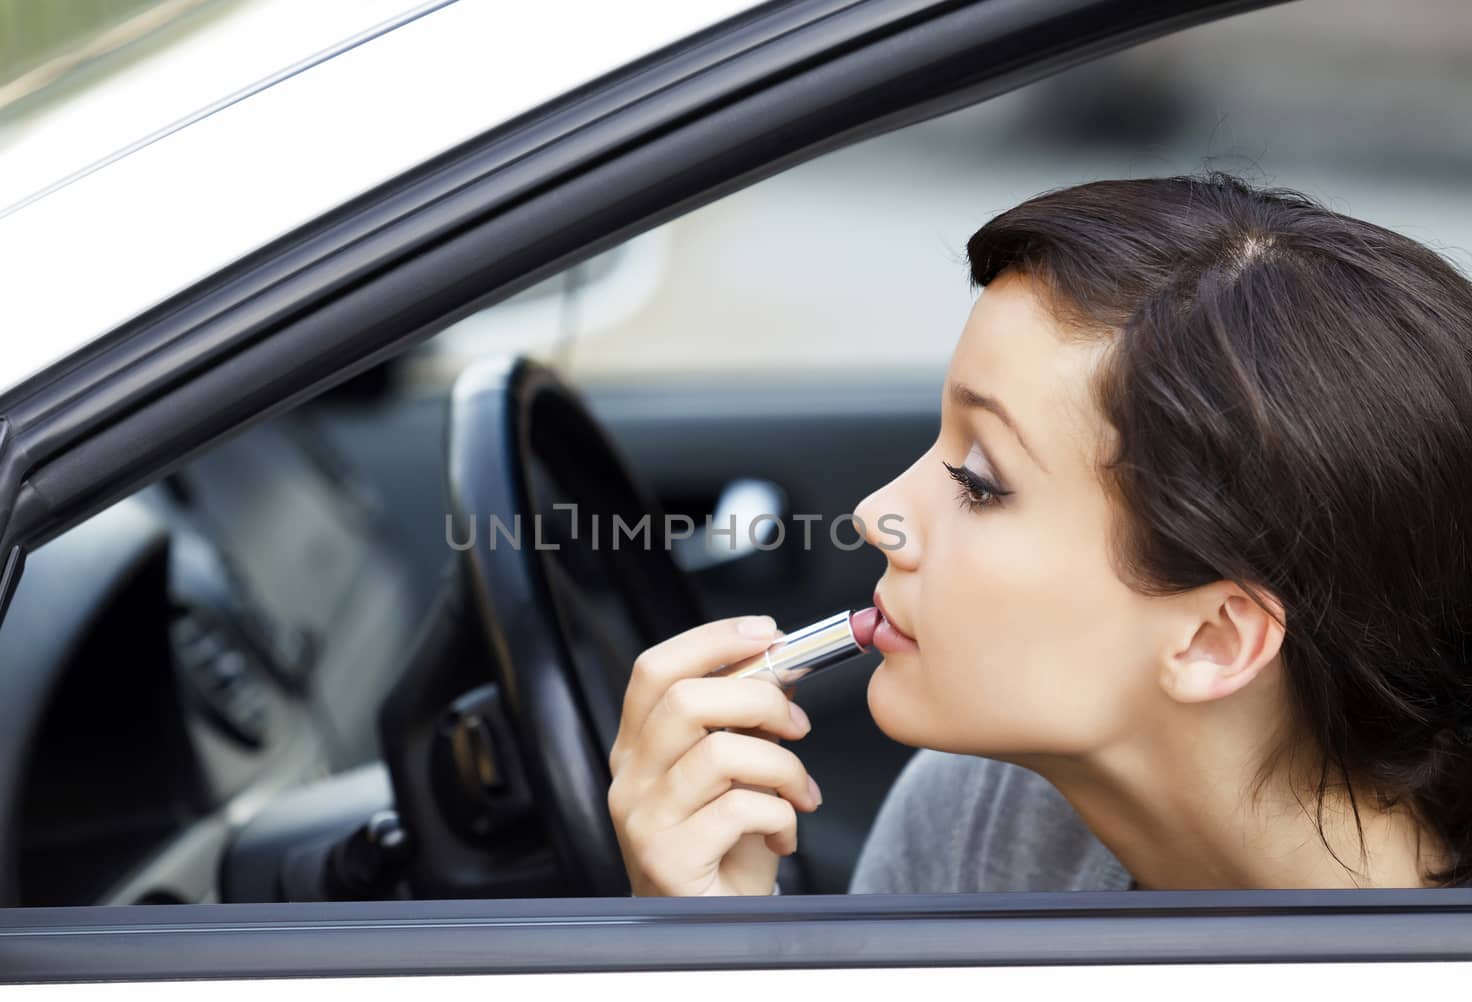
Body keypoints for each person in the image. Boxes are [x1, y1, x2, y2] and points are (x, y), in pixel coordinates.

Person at [606, 171, 1472, 896]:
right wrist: (712, 941)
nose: (875, 512)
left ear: (1215, 638)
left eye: (977, 482)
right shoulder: (986, 813)